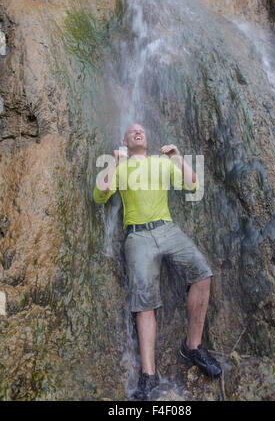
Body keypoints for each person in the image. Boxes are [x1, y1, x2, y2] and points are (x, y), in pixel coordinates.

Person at [93, 123, 222, 400]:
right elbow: (99, 194)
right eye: (131, 131)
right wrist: (115, 161)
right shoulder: (122, 168)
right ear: (125, 141)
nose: (138, 132)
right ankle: (149, 375)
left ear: (146, 138)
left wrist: (176, 156)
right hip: (137, 236)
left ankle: (192, 346)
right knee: (144, 300)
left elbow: (192, 183)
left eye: (141, 130)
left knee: (202, 274)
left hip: (167, 229)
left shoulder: (161, 164)